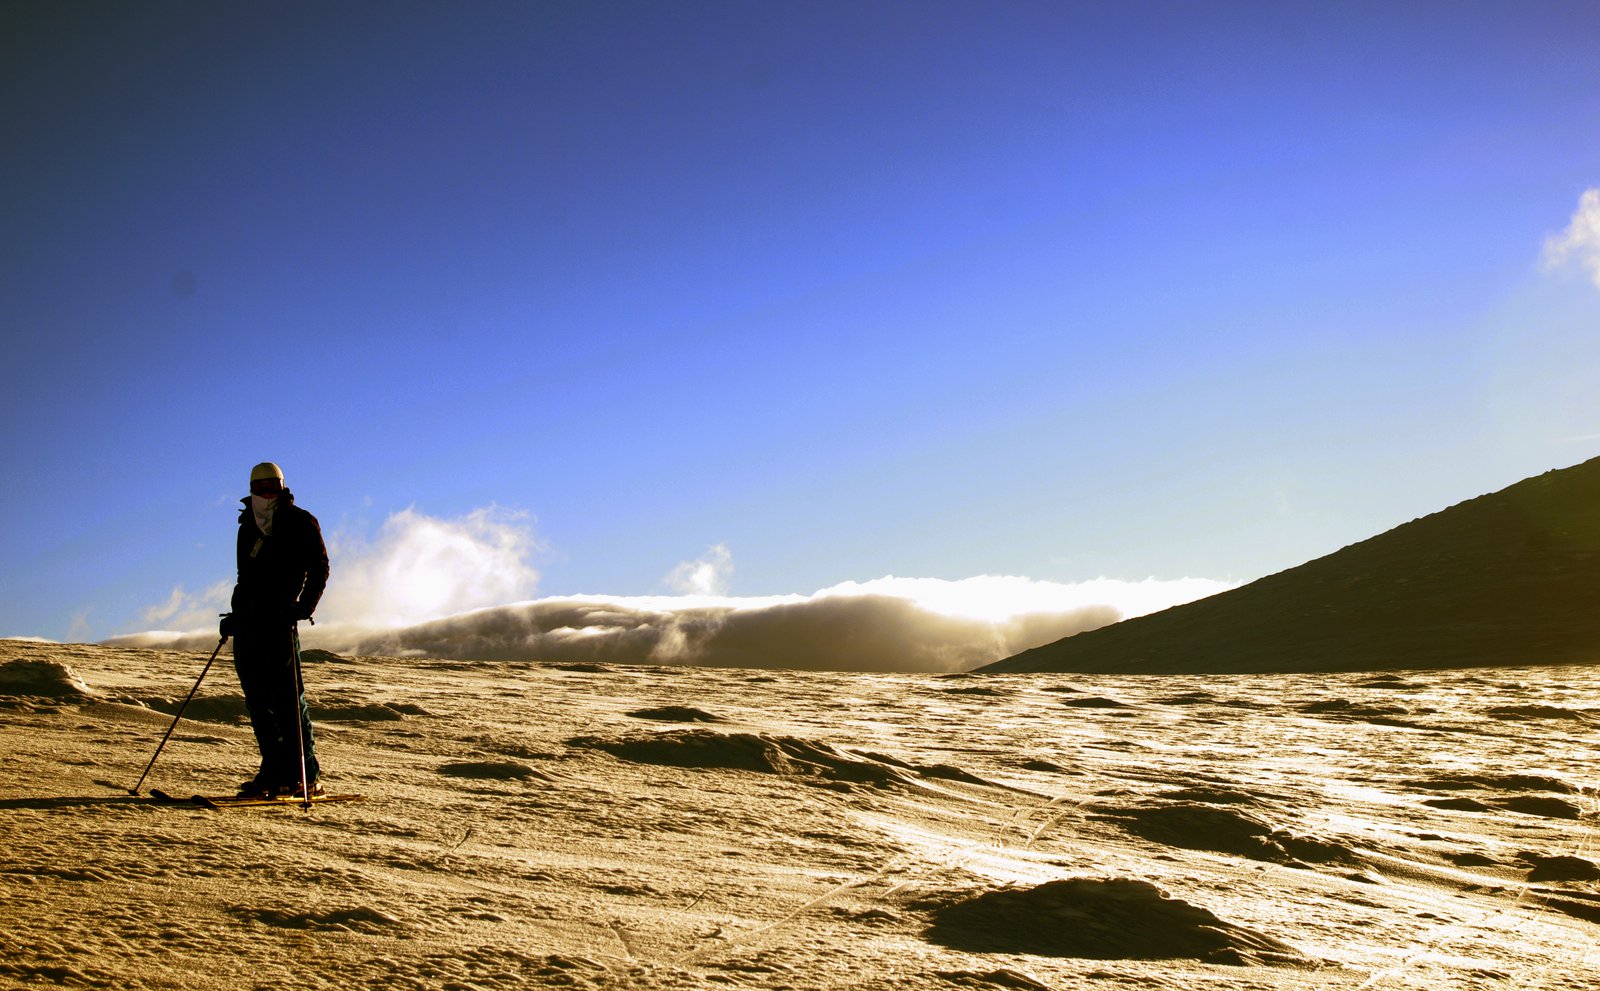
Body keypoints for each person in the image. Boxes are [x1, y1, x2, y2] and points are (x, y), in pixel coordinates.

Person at [218, 462, 330, 797]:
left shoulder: (300, 521)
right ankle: (273, 771)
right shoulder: (246, 525)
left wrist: (302, 607)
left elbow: (320, 568)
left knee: (288, 701)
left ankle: (304, 775)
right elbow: (244, 578)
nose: (267, 494)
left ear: (282, 488)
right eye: (261, 488)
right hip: (249, 624)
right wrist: (236, 615)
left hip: (279, 623)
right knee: (258, 701)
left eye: (273, 487)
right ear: (252, 489)